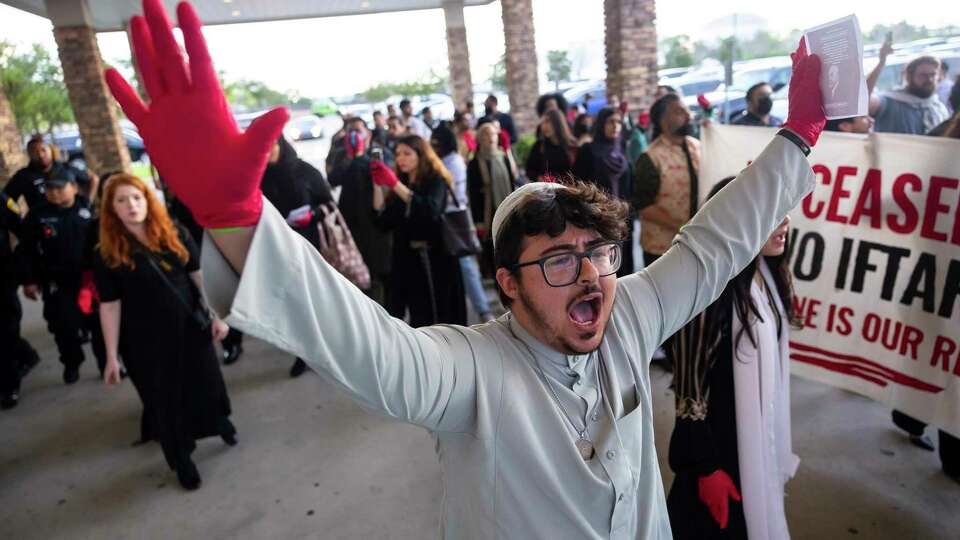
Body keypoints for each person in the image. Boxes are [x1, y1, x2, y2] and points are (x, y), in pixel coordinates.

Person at [104, 5, 823, 534]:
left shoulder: (630, 312)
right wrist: (234, 210)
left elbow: (712, 246)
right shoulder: (470, 373)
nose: (591, 277)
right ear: (506, 283)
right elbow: (370, 347)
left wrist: (798, 138)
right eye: (560, 259)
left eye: (599, 253)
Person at [667, 176, 800, 539]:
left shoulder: (767, 279)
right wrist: (705, 468)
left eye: (784, 211)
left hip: (754, 445)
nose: (785, 221)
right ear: (738, 218)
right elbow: (690, 392)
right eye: (772, 212)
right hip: (720, 454)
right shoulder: (710, 292)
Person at [96, 173, 236, 490]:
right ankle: (182, 457)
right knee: (167, 399)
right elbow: (109, 306)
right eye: (121, 200)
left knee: (205, 382)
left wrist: (217, 316)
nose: (131, 205)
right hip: (146, 341)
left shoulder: (172, 232)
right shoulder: (108, 253)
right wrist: (110, 356)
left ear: (147, 199)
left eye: (136, 197)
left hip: (190, 327)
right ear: (112, 210)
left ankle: (218, 423)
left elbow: (199, 276)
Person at [370, 135, 466, 326]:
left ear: (420, 155)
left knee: (442, 316)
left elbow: (430, 210)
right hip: (408, 261)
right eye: (398, 154)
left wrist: (395, 185)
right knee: (418, 318)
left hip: (436, 259)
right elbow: (382, 221)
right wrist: (377, 184)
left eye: (407, 153)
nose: (401, 159)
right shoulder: (402, 183)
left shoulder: (435, 180)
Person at [259, 135, 334, 377]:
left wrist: (312, 215)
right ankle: (305, 353)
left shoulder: (304, 171)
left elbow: (329, 204)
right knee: (293, 304)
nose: (266, 150)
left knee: (317, 299)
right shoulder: (257, 177)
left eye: (270, 145)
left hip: (311, 245)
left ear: (281, 144)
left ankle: (330, 350)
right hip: (278, 249)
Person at [17, 167, 98, 384]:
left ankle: (108, 360)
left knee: (97, 323)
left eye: (59, 188)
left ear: (74, 188)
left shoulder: (88, 209)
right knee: (64, 328)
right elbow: (25, 250)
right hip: (57, 282)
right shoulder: (38, 215)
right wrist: (29, 280)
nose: (53, 193)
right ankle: (72, 362)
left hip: (89, 282)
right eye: (49, 189)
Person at [432, 124, 492, 321]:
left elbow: (451, 193)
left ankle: (483, 309)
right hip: (449, 218)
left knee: (466, 265)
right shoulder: (449, 160)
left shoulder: (452, 162)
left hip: (454, 219)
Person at [328, 128, 394, 308]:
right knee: (379, 276)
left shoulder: (350, 167)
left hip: (359, 231)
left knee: (369, 277)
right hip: (377, 229)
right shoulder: (370, 165)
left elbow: (333, 182)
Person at [633, 93, 699, 268]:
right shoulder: (650, 157)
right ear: (663, 122)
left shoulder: (697, 146)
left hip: (696, 244)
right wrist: (683, 227)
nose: (688, 115)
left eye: (687, 110)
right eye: (679, 112)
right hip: (661, 248)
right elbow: (644, 206)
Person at [573, 107, 634, 276]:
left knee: (624, 266)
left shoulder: (621, 149)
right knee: (603, 268)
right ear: (600, 124)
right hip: (597, 219)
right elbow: (579, 187)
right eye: (610, 122)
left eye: (618, 122)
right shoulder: (588, 151)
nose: (615, 126)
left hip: (622, 219)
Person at [0, 192, 40, 409]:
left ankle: (8, 387)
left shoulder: (2, 201)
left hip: (3, 276)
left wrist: (28, 276)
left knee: (5, 330)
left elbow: (24, 236)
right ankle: (26, 354)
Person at [867, 39, 949, 135]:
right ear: (910, 76)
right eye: (923, 75)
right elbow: (863, 99)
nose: (929, 79)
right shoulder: (890, 102)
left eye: (933, 75)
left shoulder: (939, 107)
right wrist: (881, 63)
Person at [468, 123, 516, 273]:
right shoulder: (475, 163)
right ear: (479, 139)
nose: (490, 138)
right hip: (487, 211)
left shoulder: (503, 157)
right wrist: (478, 221)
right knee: (492, 248)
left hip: (507, 205)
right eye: (486, 134)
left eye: (493, 134)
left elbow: (512, 180)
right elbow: (473, 193)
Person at [5, 137, 99, 211]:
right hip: (43, 225)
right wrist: (18, 215)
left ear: (50, 150)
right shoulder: (23, 176)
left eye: (43, 150)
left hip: (72, 219)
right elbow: (7, 200)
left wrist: (87, 203)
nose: (40, 155)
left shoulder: (66, 167)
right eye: (35, 152)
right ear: (29, 154)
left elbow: (94, 179)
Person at [526, 109, 577, 182]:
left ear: (558, 122)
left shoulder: (572, 146)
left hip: (569, 190)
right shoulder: (539, 146)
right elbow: (530, 171)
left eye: (547, 121)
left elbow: (579, 173)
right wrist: (540, 178)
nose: (544, 126)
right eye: (542, 122)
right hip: (546, 190)